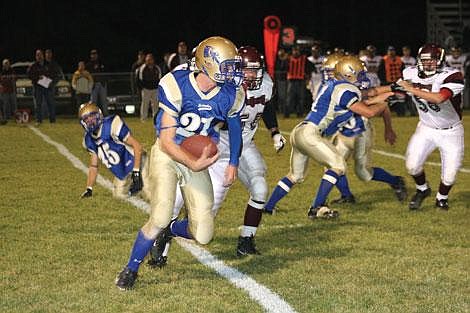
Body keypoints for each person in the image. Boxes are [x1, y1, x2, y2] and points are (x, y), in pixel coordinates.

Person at [115, 36, 245, 290]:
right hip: (168, 152)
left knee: (204, 234)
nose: (233, 73)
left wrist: (234, 162)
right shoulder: (177, 84)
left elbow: (235, 127)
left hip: (196, 157)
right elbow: (166, 140)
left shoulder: (230, 93)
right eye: (227, 66)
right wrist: (194, 165)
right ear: (209, 64)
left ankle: (170, 230)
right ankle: (131, 268)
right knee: (160, 214)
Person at [147, 46, 287, 267]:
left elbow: (265, 108)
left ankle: (246, 240)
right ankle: (164, 242)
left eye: (255, 70)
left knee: (259, 188)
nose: (251, 75)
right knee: (186, 206)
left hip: (244, 144)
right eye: (246, 70)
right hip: (217, 146)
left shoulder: (266, 84)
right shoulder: (224, 84)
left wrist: (274, 131)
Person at [263, 55, 395, 219]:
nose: (362, 78)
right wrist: (385, 103)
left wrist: (392, 88)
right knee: (338, 166)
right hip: (311, 134)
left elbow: (367, 94)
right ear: (349, 75)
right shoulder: (345, 91)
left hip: (300, 132)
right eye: (359, 74)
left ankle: (268, 207)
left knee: (295, 175)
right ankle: (316, 208)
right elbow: (368, 110)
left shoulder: (335, 87)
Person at [391, 43, 465, 210]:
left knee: (449, 176)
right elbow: (395, 90)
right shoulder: (409, 73)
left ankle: (441, 198)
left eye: (432, 60)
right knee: (412, 165)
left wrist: (412, 89)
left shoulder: (452, 75)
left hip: (451, 130)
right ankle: (422, 189)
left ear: (440, 61)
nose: (428, 64)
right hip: (426, 127)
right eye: (425, 60)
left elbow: (439, 98)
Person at [78, 102, 149, 200]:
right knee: (119, 196)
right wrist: (89, 188)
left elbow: (137, 146)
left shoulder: (112, 124)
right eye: (86, 119)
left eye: (92, 116)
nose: (90, 120)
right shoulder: (88, 140)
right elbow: (93, 166)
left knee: (150, 194)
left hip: (138, 162)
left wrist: (136, 172)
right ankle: (137, 188)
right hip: (123, 173)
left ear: (99, 115)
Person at [28, 49, 57, 125]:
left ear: (43, 55)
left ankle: (52, 120)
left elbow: (54, 74)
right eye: (37, 55)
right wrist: (38, 77)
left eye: (40, 54)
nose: (39, 56)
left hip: (47, 87)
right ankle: (38, 120)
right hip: (38, 87)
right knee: (38, 105)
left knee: (50, 103)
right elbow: (29, 75)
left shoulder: (49, 64)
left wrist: (51, 81)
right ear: (35, 56)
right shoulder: (33, 66)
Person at [285, 45, 312, 117]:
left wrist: (307, 77)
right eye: (294, 51)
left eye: (297, 51)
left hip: (301, 80)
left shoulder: (304, 59)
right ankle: (287, 113)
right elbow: (283, 67)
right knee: (289, 98)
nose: (296, 52)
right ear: (292, 51)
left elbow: (309, 68)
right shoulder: (288, 58)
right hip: (291, 80)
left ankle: (299, 113)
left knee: (301, 98)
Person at [379, 46, 405, 116]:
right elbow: (380, 71)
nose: (391, 52)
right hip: (387, 82)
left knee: (400, 98)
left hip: (398, 82)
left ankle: (401, 113)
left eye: (392, 50)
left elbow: (403, 70)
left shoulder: (399, 60)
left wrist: (402, 80)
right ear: (387, 52)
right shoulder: (384, 60)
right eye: (390, 50)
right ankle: (385, 113)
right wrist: (383, 81)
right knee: (387, 99)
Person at [135, 53, 161, 121]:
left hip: (155, 89)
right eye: (148, 59)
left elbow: (160, 78)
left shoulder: (157, 68)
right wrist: (142, 88)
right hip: (146, 89)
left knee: (155, 105)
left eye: (151, 59)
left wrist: (158, 87)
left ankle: (156, 119)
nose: (150, 61)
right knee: (145, 104)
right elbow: (140, 79)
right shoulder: (143, 68)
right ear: (146, 60)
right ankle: (143, 118)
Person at [86, 49, 108, 115]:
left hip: (102, 84)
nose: (94, 56)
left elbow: (106, 72)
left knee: (104, 101)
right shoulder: (89, 64)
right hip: (94, 84)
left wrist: (105, 81)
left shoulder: (101, 62)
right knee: (93, 101)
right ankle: (93, 114)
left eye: (95, 54)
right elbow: (88, 74)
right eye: (92, 54)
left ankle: (106, 114)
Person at [274, 47, 289, 115]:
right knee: (280, 96)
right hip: (278, 80)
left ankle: (284, 110)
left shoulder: (286, 60)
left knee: (284, 96)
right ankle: (280, 109)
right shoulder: (276, 60)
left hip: (285, 80)